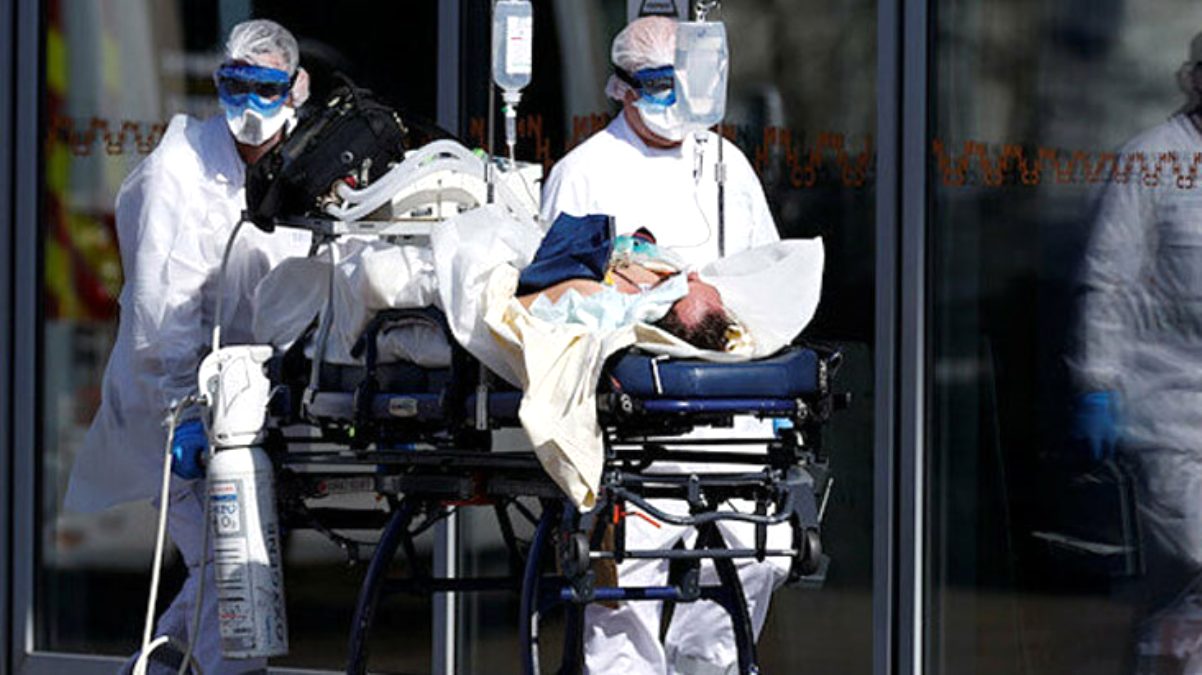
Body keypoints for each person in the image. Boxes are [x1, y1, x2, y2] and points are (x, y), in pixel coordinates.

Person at [63, 19, 313, 674]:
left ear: (296, 90)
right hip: (175, 408)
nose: (250, 105)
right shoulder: (176, 172)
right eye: (235, 85)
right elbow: (159, 312)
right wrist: (186, 412)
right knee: (233, 574)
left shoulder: (301, 170)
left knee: (224, 573)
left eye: (267, 88)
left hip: (251, 410)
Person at [539, 16, 785, 675]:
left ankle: (704, 665)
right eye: (657, 83)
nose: (674, 98)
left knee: (761, 553)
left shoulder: (725, 166)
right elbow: (556, 299)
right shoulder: (585, 174)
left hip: (731, 403)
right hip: (634, 420)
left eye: (685, 80)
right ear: (622, 88)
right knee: (626, 582)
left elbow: (763, 271)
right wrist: (646, 294)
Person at [1069, 32, 1202, 675]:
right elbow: (1107, 282)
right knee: (1193, 562)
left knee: (1178, 601)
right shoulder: (1152, 161)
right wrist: (1098, 384)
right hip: (1165, 420)